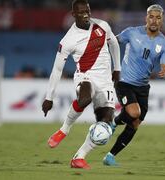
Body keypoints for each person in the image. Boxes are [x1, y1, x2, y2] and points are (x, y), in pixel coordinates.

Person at [42, 0, 120, 169]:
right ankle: (64, 129)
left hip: (105, 81)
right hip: (86, 77)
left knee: (106, 126)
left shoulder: (102, 26)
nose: (86, 14)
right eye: (81, 12)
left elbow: (114, 43)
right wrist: (49, 98)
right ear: (73, 14)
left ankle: (79, 157)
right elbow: (56, 70)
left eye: (88, 11)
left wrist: (117, 68)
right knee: (85, 98)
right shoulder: (68, 40)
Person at [103, 4, 165, 166]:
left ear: (162, 20)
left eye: (158, 17)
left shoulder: (164, 43)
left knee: (135, 123)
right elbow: (112, 42)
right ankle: (113, 123)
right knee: (134, 113)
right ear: (146, 18)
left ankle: (110, 156)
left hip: (143, 87)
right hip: (124, 82)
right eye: (151, 16)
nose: (154, 20)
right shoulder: (132, 32)